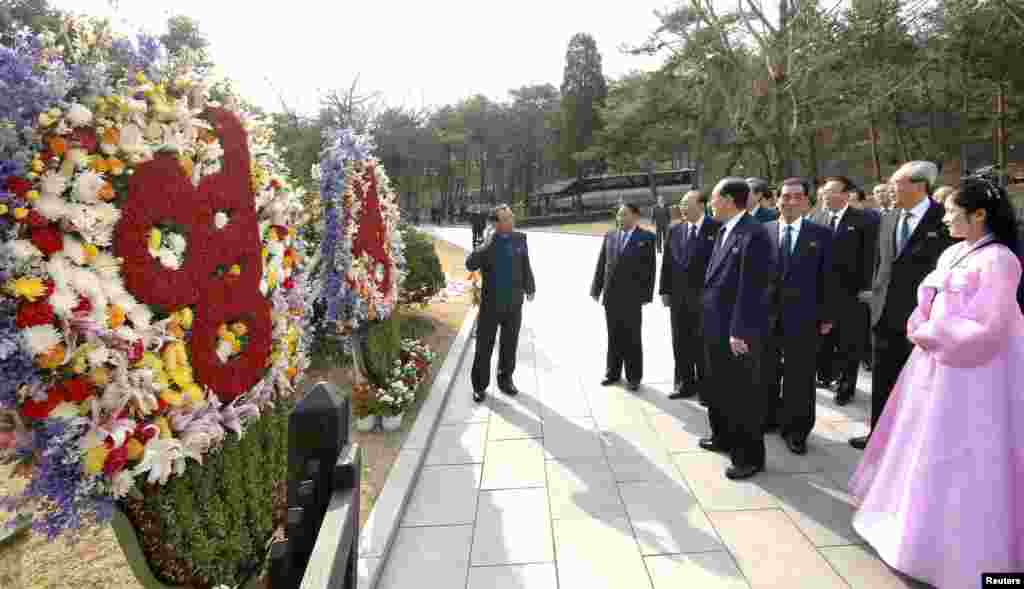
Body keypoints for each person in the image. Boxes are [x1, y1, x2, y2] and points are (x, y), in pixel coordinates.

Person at [849, 176, 1024, 587]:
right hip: (936, 365)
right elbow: (927, 302)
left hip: (976, 375)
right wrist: (921, 323)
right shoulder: (952, 252)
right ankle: (915, 536)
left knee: (967, 454)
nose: (944, 216)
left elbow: (990, 327)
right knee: (925, 448)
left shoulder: (999, 259)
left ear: (979, 215)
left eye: (952, 210)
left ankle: (969, 555)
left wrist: (930, 331)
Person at [850, 161, 956, 449]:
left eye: (896, 182)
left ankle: (915, 443)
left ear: (919, 185)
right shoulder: (889, 217)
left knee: (921, 385)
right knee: (883, 381)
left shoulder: (944, 219)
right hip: (884, 314)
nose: (889, 188)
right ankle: (878, 437)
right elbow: (880, 263)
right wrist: (874, 296)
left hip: (923, 318)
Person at [700, 178, 775, 480]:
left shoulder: (753, 234)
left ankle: (748, 458)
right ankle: (723, 438)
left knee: (743, 395)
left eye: (714, 198)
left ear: (729, 200)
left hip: (736, 331)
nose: (711, 204)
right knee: (720, 389)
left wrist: (739, 331)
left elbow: (753, 289)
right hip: (715, 325)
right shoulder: (725, 229)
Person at [762, 179, 834, 455]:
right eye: (785, 196)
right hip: (766, 317)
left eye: (797, 197)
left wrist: (827, 315)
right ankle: (769, 419)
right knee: (767, 371)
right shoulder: (762, 231)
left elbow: (829, 277)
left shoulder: (821, 234)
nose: (790, 202)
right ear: (777, 199)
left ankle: (797, 430)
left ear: (806, 201)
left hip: (805, 318)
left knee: (800, 376)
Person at [811, 177, 879, 405]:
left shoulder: (864, 220)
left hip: (852, 293)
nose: (826, 196)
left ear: (847, 194)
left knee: (850, 343)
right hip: (822, 293)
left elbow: (870, 257)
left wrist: (867, 287)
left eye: (832, 191)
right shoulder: (817, 217)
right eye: (825, 192)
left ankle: (846, 386)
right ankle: (827, 375)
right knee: (825, 340)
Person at [466, 205, 536, 403]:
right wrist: (485, 243)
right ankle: (479, 386)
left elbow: (525, 264)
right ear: (496, 223)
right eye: (505, 219)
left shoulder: (520, 238)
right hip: (491, 304)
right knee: (484, 345)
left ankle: (505, 380)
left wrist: (530, 287)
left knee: (509, 343)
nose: (511, 221)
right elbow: (470, 264)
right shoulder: (488, 241)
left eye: (511, 217)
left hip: (514, 302)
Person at [659, 190, 721, 402]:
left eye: (687, 204)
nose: (682, 208)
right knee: (681, 342)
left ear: (701, 205)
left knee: (704, 345)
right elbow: (667, 263)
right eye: (681, 204)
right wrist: (664, 291)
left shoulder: (716, 228)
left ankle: (707, 389)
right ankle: (684, 384)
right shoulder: (675, 230)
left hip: (706, 300)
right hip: (678, 298)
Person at [591, 203, 657, 392]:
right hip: (611, 295)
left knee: (632, 337)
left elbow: (650, 269)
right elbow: (602, 262)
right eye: (618, 215)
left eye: (624, 215)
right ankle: (612, 373)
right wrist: (596, 289)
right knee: (613, 335)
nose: (620, 219)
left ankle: (634, 376)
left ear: (635, 216)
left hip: (632, 297)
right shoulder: (610, 235)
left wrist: (646, 295)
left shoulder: (646, 238)